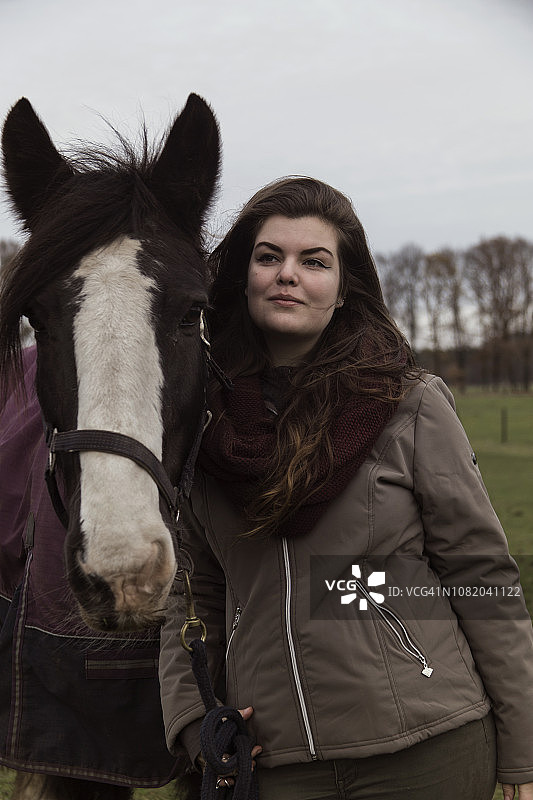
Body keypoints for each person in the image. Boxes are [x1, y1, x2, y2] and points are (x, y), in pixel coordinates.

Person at [158, 176, 533, 800]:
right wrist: (194, 720)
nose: (288, 275)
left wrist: (523, 749)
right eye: (269, 257)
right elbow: (192, 592)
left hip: (428, 750)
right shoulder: (198, 424)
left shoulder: (409, 405)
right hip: (273, 763)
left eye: (314, 261)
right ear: (241, 276)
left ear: (343, 287)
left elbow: (480, 574)